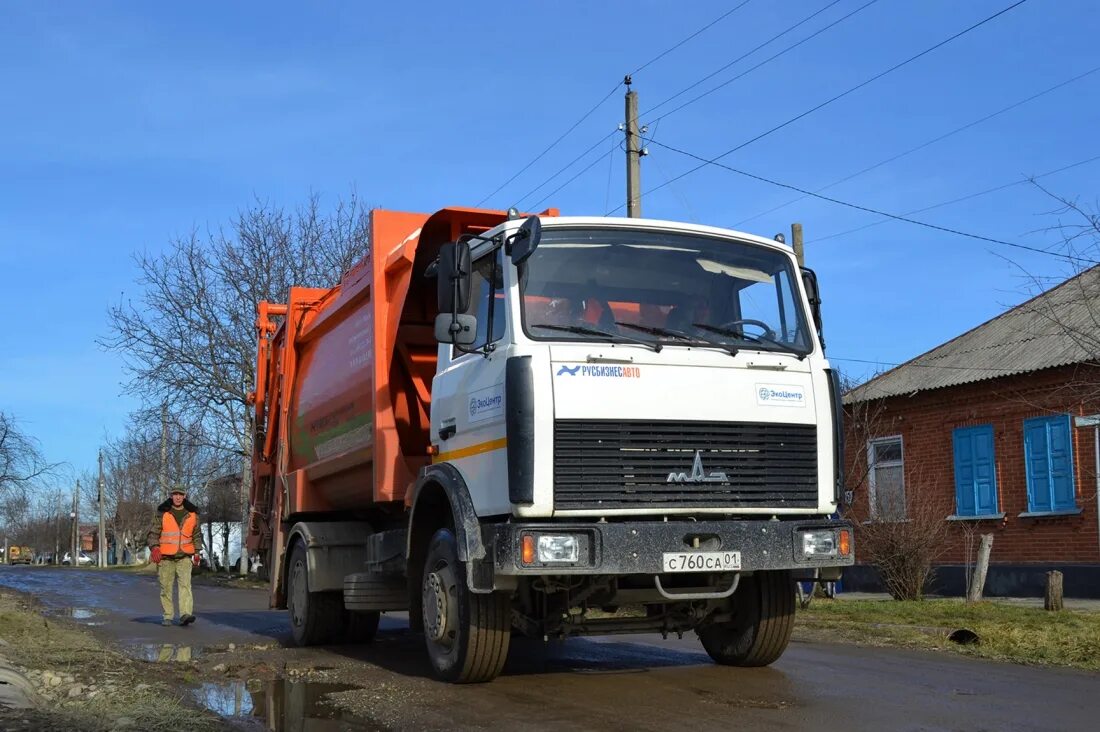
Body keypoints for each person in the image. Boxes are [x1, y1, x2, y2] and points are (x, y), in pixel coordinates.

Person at [147, 486, 203, 627]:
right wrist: (154, 548)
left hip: (184, 556)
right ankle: (168, 616)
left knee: (185, 586)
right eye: (175, 494)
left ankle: (185, 614)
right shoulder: (162, 513)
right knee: (166, 587)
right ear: (171, 496)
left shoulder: (192, 514)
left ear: (185, 496)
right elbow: (153, 534)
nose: (178, 497)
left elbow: (196, 535)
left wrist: (197, 552)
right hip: (165, 557)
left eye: (180, 494)